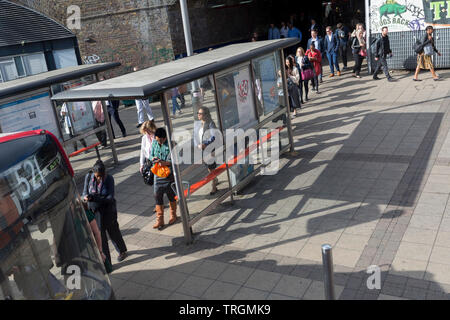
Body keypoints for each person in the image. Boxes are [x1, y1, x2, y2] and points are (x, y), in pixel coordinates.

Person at [82, 160, 128, 269]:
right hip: (95, 211)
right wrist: (86, 197)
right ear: (93, 173)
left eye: (101, 176)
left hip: (108, 210)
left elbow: (109, 197)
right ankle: (107, 263)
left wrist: (94, 198)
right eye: (98, 176)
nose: (99, 179)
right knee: (101, 236)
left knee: (113, 232)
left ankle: (122, 250)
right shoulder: (88, 177)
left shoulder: (109, 179)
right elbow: (84, 192)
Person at [151, 128, 178, 229]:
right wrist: (153, 159)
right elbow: (151, 155)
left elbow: (175, 160)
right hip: (157, 174)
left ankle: (173, 215)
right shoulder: (154, 143)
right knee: (157, 196)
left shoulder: (172, 144)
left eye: (161, 140)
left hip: (168, 174)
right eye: (157, 140)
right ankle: (160, 219)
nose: (159, 142)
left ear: (165, 138)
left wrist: (165, 162)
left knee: (171, 195)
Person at [195, 107, 219, 195]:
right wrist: (197, 144)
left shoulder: (210, 123)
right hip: (202, 148)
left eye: (200, 113)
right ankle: (215, 179)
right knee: (209, 167)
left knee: (211, 167)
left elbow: (213, 136)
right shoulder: (198, 124)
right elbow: (195, 136)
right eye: (198, 113)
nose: (198, 114)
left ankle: (214, 186)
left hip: (210, 148)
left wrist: (206, 143)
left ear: (205, 114)